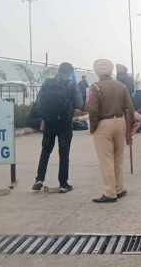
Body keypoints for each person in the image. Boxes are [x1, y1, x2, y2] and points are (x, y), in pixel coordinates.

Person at [87, 59, 136, 203]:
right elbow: (130, 108)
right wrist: (130, 128)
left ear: (97, 72)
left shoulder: (95, 87)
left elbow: (93, 109)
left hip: (103, 123)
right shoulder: (121, 86)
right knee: (118, 157)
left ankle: (110, 192)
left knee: (106, 159)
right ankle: (119, 188)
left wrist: (93, 127)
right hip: (120, 122)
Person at [32, 62, 84, 193]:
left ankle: (39, 179)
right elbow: (80, 103)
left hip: (49, 121)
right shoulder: (71, 84)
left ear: (59, 70)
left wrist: (46, 115)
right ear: (70, 72)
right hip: (65, 123)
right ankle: (63, 184)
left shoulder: (47, 83)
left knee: (45, 150)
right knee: (64, 153)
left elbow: (38, 103)